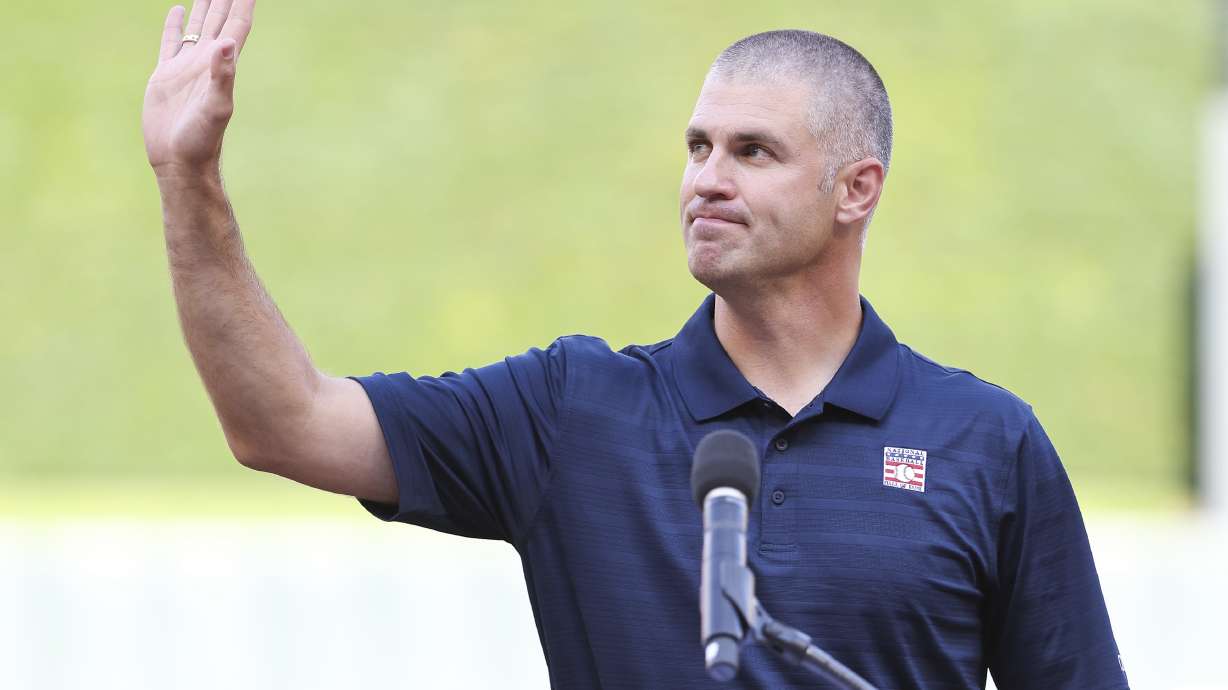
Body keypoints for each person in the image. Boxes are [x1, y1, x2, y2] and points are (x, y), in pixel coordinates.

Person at [142, 2, 1129, 688]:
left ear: (855, 190)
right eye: (697, 146)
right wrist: (189, 180)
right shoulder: (572, 411)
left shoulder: (984, 442)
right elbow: (284, 421)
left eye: (753, 152)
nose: (705, 178)